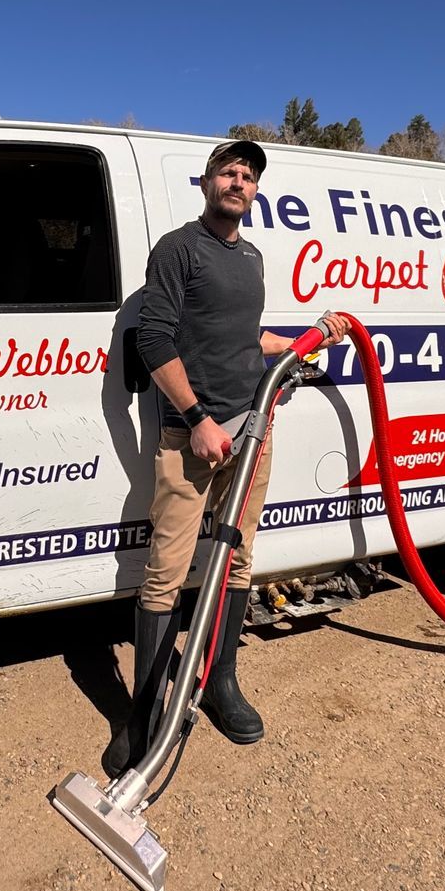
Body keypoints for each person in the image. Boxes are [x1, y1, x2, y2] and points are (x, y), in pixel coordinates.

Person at [104, 138, 350, 778]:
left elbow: (245, 337)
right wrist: (196, 420)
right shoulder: (180, 249)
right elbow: (153, 337)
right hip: (193, 439)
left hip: (253, 433)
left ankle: (219, 684)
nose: (237, 182)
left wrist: (307, 341)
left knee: (238, 561)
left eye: (247, 175)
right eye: (227, 172)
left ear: (255, 190)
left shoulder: (254, 259)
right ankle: (146, 710)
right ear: (207, 181)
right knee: (168, 570)